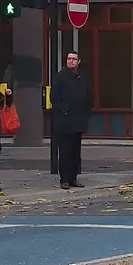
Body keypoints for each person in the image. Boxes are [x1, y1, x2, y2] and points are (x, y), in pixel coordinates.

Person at [51, 51, 90, 189]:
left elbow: (87, 96)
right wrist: (64, 110)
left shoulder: (82, 77)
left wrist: (85, 114)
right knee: (65, 151)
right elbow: (54, 98)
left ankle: (74, 178)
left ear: (78, 61)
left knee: (75, 151)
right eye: (69, 59)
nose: (71, 61)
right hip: (65, 121)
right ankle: (64, 179)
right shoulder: (60, 77)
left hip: (78, 120)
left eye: (73, 59)